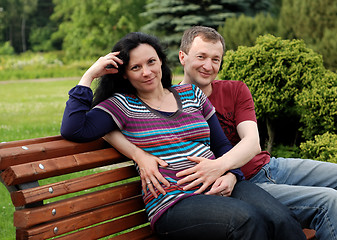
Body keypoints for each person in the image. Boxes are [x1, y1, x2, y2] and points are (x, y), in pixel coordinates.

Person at [61, 32, 306, 240]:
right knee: (246, 221)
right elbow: (74, 128)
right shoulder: (122, 105)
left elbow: (221, 145)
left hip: (219, 183)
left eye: (151, 62)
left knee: (282, 219)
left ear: (161, 62)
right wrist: (90, 75)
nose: (147, 72)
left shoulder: (191, 94)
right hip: (174, 201)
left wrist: (232, 174)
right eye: (136, 67)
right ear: (124, 73)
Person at [177, 26, 337, 240]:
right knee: (330, 201)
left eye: (216, 59)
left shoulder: (235, 89)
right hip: (245, 187)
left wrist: (221, 166)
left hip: (270, 167)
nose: (208, 66)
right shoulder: (170, 105)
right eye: (201, 56)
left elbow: (252, 143)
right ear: (182, 57)